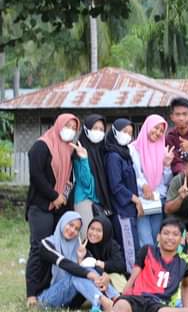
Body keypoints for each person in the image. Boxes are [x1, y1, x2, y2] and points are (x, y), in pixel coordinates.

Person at [25, 211, 116, 310]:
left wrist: (103, 275)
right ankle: (105, 303)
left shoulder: (78, 246)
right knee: (77, 274)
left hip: (72, 300)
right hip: (47, 298)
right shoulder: (47, 244)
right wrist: (31, 295)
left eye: (76, 229)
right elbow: (64, 264)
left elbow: (92, 264)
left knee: (86, 268)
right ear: (63, 222)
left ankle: (115, 299)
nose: (72, 230)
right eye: (70, 225)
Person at [113, 218, 188, 312]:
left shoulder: (186, 261)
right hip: (138, 298)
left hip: (161, 304)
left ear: (182, 240)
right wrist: (122, 298)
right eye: (166, 233)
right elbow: (132, 279)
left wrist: (186, 307)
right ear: (158, 237)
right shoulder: (147, 250)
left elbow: (186, 286)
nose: (170, 237)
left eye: (175, 234)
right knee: (121, 305)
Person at [26, 113, 80, 248]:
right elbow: (36, 175)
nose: (70, 130)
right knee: (40, 248)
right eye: (67, 126)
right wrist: (54, 196)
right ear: (58, 125)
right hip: (41, 205)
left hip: (60, 207)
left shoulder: (69, 149)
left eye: (74, 128)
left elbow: (69, 178)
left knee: (55, 248)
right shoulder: (42, 145)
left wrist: (63, 196)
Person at [104, 118, 142, 274]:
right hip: (122, 210)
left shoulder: (124, 154)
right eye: (124, 131)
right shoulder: (113, 156)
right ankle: (131, 280)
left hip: (129, 209)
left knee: (133, 245)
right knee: (129, 248)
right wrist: (135, 199)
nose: (127, 135)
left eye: (130, 133)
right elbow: (116, 185)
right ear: (114, 132)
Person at [129, 114, 174, 247]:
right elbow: (135, 173)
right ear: (147, 126)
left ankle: (155, 261)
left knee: (156, 237)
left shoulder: (163, 150)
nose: (158, 132)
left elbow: (166, 181)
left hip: (157, 199)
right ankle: (147, 261)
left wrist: (167, 165)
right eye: (156, 127)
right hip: (141, 199)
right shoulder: (133, 149)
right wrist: (144, 185)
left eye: (161, 130)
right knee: (145, 239)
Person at [74, 114, 114, 235]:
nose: (98, 132)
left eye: (101, 129)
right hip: (85, 199)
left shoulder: (102, 150)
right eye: (95, 128)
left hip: (100, 201)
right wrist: (84, 159)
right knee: (88, 236)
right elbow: (85, 182)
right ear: (86, 129)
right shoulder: (79, 150)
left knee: (100, 238)